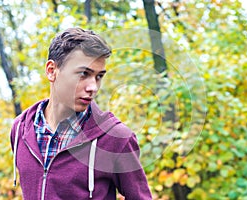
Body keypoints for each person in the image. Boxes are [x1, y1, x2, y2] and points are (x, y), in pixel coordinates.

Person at [10, 27, 152, 200]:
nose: (93, 87)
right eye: (83, 74)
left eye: (99, 76)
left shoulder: (117, 138)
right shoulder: (20, 129)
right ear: (51, 71)